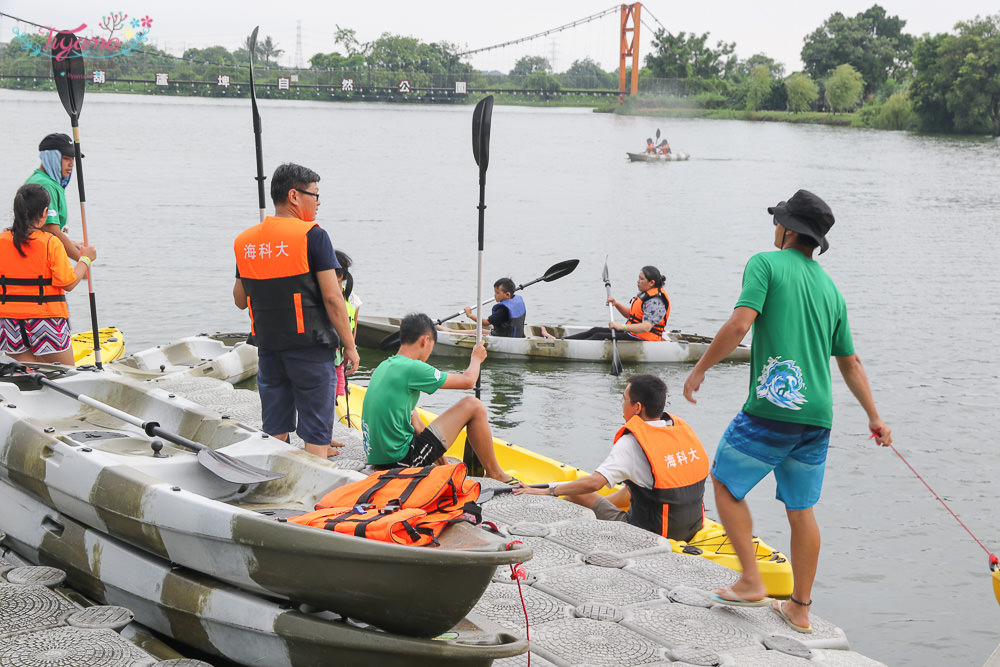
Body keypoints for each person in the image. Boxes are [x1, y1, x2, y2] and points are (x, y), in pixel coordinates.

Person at [682, 189, 892, 634]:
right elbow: (850, 362)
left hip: (775, 405)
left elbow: (740, 323)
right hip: (818, 416)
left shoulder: (765, 264)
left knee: (722, 480)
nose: (773, 227)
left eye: (777, 220)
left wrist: (701, 368)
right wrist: (875, 417)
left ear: (789, 230)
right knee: (802, 509)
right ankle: (799, 608)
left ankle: (752, 581)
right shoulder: (831, 289)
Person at [233, 163, 359, 460]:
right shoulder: (313, 235)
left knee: (275, 426)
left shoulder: (246, 241)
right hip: (310, 347)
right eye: (314, 194)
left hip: (268, 346)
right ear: (294, 195)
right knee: (316, 433)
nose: (318, 202)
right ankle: (313, 494)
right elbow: (332, 298)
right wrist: (350, 346)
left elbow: (240, 299)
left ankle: (274, 481)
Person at [515, 374, 709, 542]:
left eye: (624, 399)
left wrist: (547, 491)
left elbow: (593, 484)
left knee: (578, 493)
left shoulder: (632, 443)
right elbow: (631, 493)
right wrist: (600, 504)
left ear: (637, 407)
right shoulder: (679, 431)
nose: (622, 405)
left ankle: (543, 525)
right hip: (690, 527)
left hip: (650, 534)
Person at [361, 312, 518, 484]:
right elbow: (468, 381)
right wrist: (476, 359)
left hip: (381, 460)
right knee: (473, 405)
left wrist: (443, 466)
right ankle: (495, 473)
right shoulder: (412, 367)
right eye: (432, 346)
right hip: (401, 463)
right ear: (425, 340)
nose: (430, 352)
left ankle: (466, 469)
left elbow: (417, 423)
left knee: (417, 417)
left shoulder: (386, 365)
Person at [0, 184, 96, 365]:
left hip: (9, 324)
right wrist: (85, 259)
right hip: (45, 322)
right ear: (44, 213)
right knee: (66, 376)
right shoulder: (51, 243)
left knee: (27, 377)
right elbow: (68, 283)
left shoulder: (2, 240)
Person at [566, 265, 670, 341]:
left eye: (641, 279)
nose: (638, 281)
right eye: (638, 278)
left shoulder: (656, 301)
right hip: (634, 334)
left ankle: (565, 346)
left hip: (645, 339)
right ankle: (560, 340)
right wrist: (616, 304)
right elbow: (632, 315)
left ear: (651, 283)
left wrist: (621, 327)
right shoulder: (647, 295)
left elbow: (646, 327)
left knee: (598, 336)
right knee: (595, 330)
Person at [25, 133, 82, 260]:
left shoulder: (46, 181)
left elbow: (42, 232)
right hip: (37, 260)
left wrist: (70, 244)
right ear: (51, 157)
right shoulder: (45, 185)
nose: (72, 164)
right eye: (66, 158)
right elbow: (51, 230)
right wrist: (83, 260)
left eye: (73, 159)